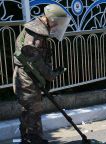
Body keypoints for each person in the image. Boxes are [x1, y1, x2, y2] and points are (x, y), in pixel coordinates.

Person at [13, 4, 70, 144]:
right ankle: (31, 139)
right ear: (49, 19)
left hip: (29, 75)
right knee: (32, 108)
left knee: (33, 109)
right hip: (26, 77)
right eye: (56, 21)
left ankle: (32, 138)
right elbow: (36, 61)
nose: (57, 25)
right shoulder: (35, 32)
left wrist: (47, 75)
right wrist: (50, 75)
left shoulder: (38, 30)